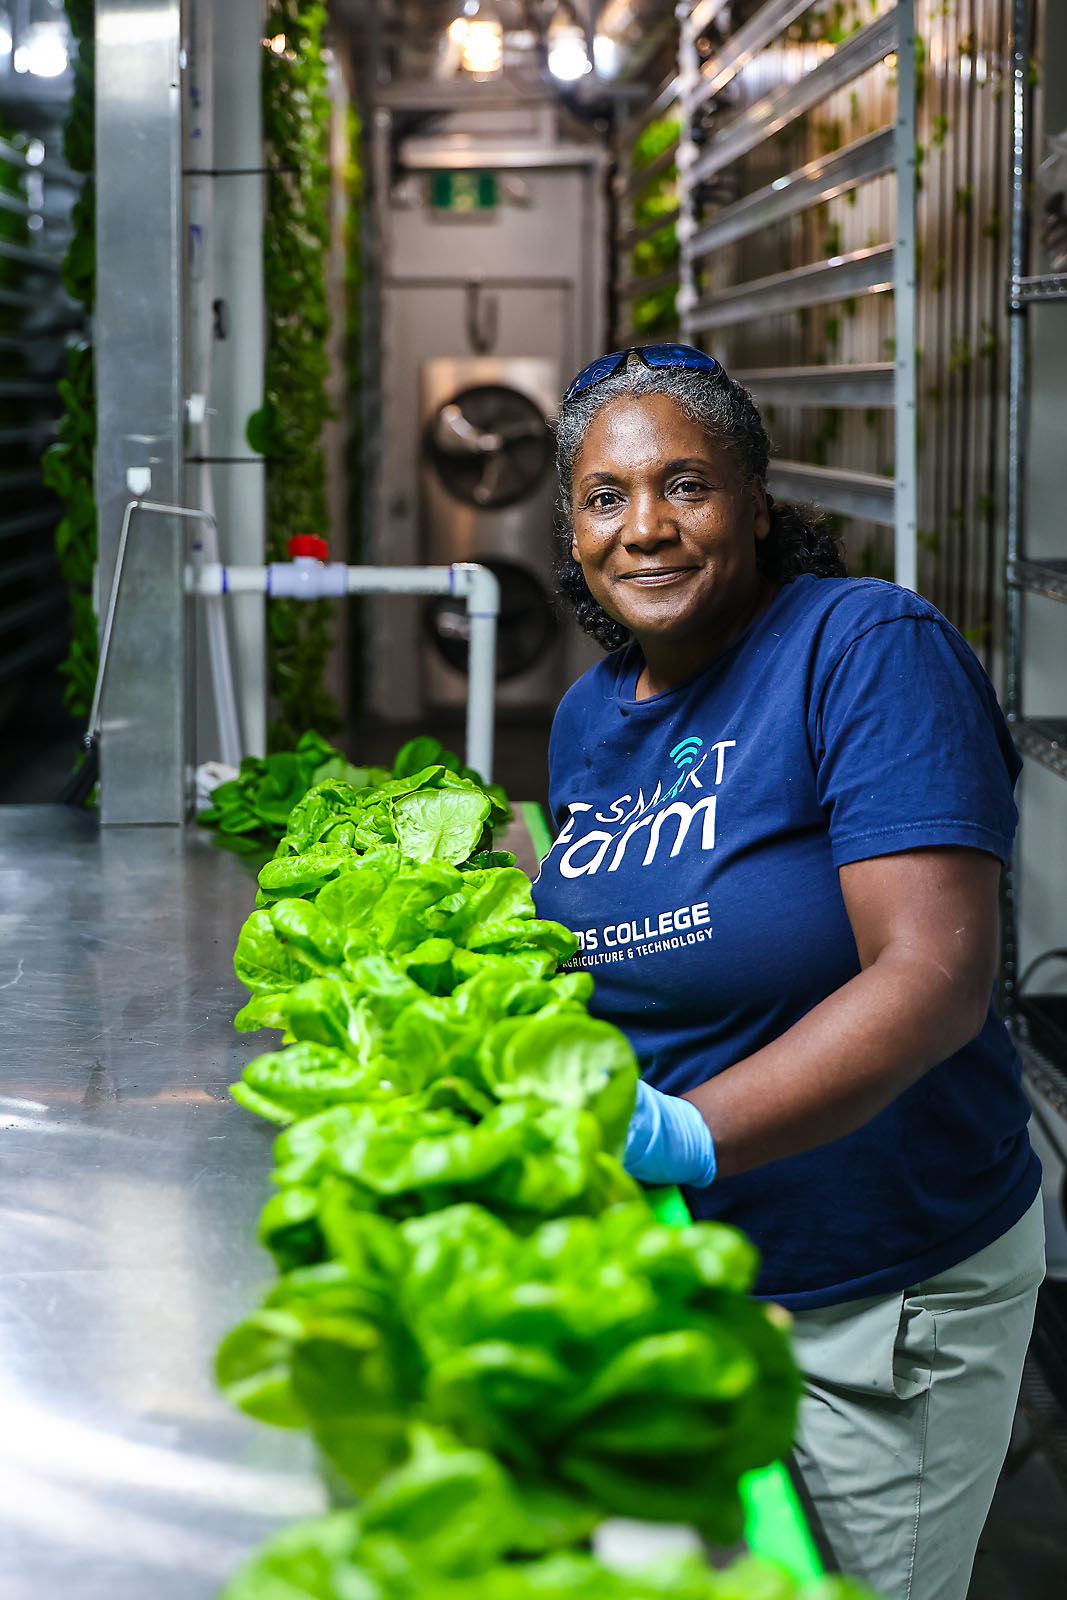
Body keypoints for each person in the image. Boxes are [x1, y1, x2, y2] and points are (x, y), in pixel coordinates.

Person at [531, 344, 1045, 1600]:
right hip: (687, 1278)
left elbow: (933, 974)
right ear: (572, 527)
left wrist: (685, 1132)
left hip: (874, 1301)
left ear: (755, 503)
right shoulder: (589, 715)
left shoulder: (863, 647)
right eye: (605, 496)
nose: (643, 526)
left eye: (684, 485)